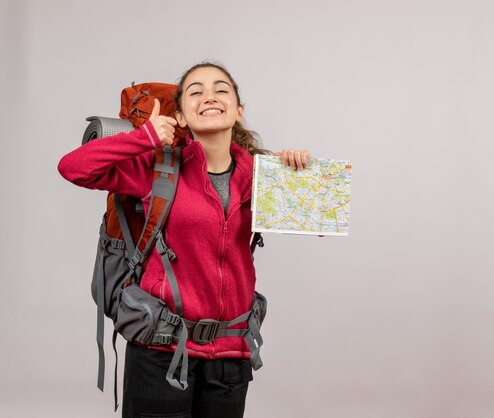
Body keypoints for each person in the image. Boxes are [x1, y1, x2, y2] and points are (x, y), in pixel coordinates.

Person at [58, 61, 311, 418]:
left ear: (238, 110)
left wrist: (298, 172)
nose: (209, 96)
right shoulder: (158, 167)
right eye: (196, 91)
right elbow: (73, 168)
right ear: (181, 114)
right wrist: (144, 137)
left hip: (230, 353)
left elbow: (320, 218)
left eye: (221, 89)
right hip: (161, 348)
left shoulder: (261, 177)